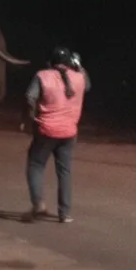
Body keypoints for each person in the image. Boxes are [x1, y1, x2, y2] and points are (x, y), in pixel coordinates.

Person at [21, 47, 90, 224]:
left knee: (35, 164)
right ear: (70, 63)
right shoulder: (80, 77)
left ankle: (39, 204)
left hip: (46, 131)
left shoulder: (43, 75)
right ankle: (64, 213)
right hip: (69, 132)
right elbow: (87, 85)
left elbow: (29, 97)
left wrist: (29, 118)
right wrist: (79, 66)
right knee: (64, 172)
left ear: (50, 62)